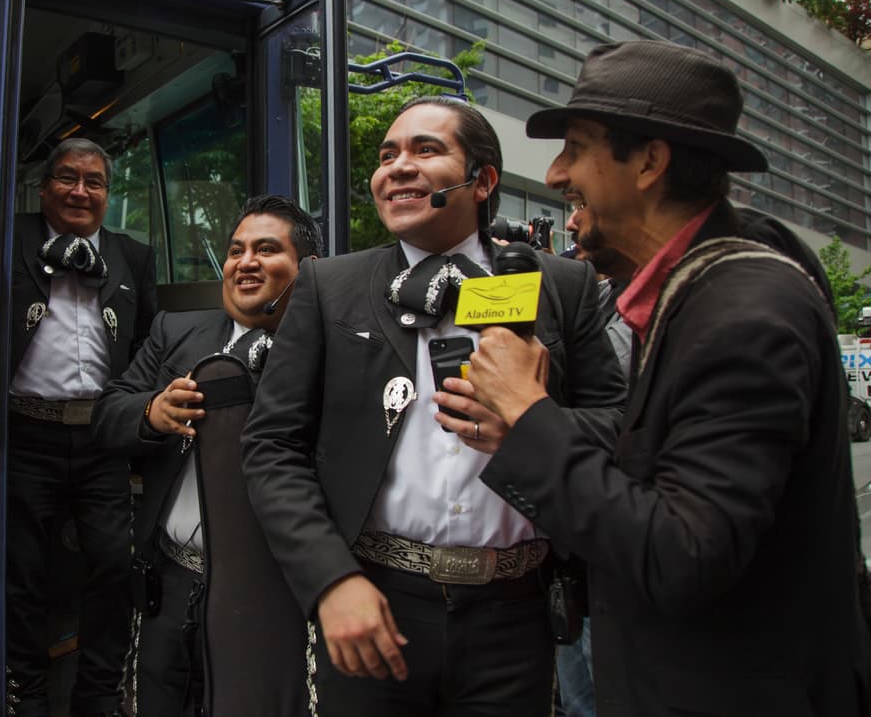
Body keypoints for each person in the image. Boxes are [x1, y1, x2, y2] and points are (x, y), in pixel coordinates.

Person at [466, 40, 871, 716]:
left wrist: (529, 415)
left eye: (576, 146)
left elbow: (683, 555)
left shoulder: (744, 315)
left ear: (651, 161)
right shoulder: (695, 295)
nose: (559, 172)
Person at [240, 95, 628, 715]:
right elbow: (271, 446)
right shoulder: (327, 286)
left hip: (518, 614)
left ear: (484, 181)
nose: (397, 167)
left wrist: (531, 425)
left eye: (426, 150)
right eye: (387, 155)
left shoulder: (563, 286)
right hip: (374, 605)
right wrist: (330, 582)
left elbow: (620, 427)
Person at [93, 194, 323, 716]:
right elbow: (106, 414)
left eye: (266, 249)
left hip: (270, 595)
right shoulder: (175, 330)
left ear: (306, 268)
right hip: (170, 581)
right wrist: (151, 412)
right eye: (236, 250)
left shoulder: (329, 348)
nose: (245, 262)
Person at [6, 137, 158, 717]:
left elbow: (146, 344)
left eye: (94, 181)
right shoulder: (11, 237)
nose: (80, 191)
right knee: (22, 572)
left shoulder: (132, 255)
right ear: (44, 187)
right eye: (67, 178)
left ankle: (97, 696)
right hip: (25, 433)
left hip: (102, 436)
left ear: (107, 193)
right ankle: (26, 693)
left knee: (113, 567)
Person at [554, 205, 636, 717]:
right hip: (572, 555)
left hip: (622, 554)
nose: (571, 225)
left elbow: (603, 396)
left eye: (584, 202)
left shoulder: (658, 305)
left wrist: (524, 414)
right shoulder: (598, 294)